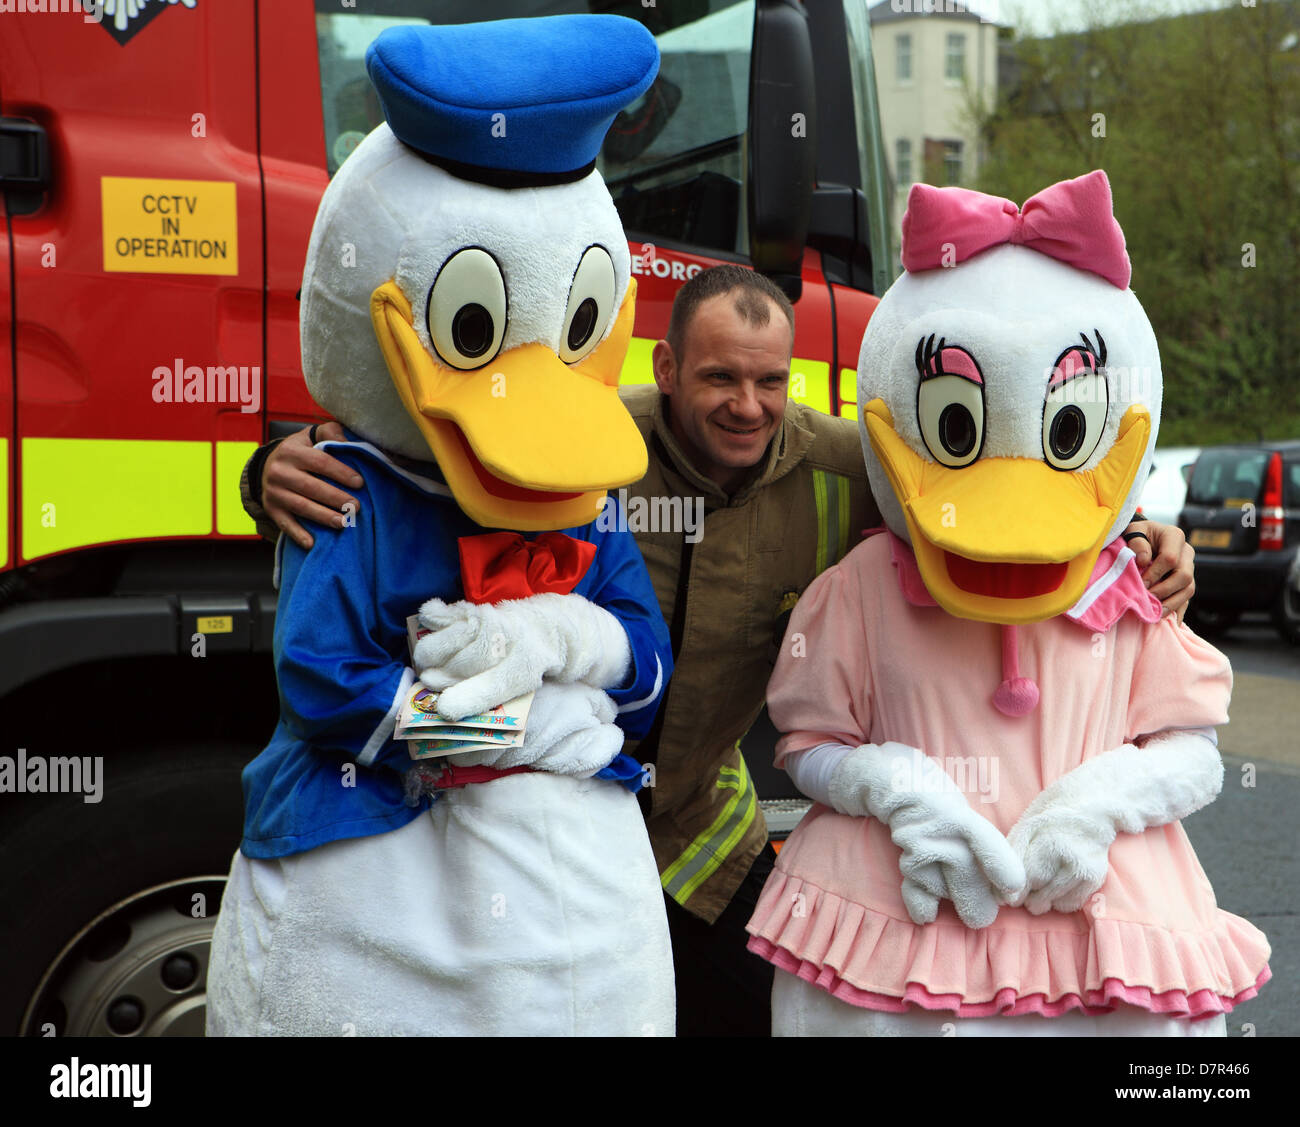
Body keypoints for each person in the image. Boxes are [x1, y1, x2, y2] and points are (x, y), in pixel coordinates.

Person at [241, 263, 1196, 1036]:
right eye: (720, 377)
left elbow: (991, 487)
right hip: (553, 824)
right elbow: (419, 457)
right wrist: (267, 468)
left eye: (771, 379)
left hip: (706, 837)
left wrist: (1142, 533)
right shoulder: (583, 448)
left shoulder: (838, 470)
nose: (749, 404)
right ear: (664, 368)